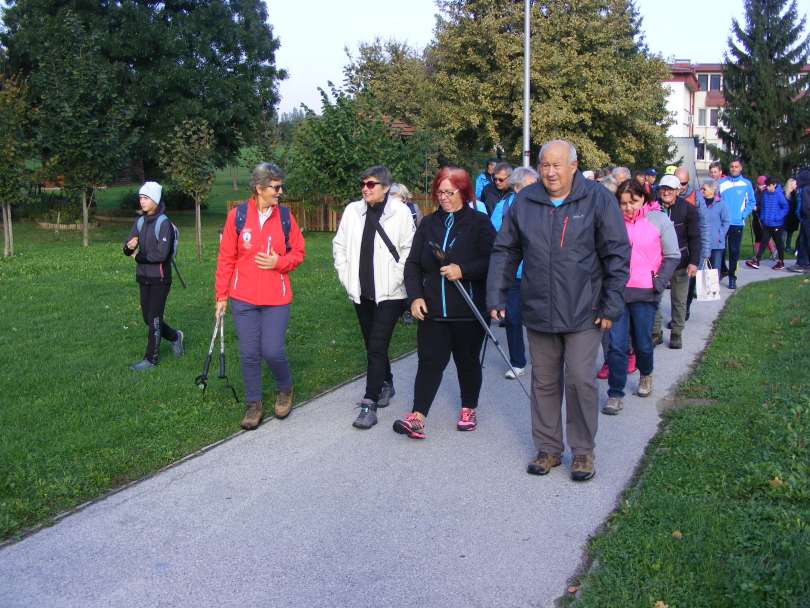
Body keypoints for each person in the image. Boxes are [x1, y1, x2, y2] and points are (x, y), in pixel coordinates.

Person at [487, 140, 630, 482]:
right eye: (544, 165)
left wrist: (611, 304)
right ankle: (549, 448)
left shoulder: (596, 198)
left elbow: (617, 253)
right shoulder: (525, 200)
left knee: (581, 380)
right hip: (539, 308)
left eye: (557, 165)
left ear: (573, 166)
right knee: (545, 382)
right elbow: (505, 250)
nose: (550, 172)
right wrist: (496, 296)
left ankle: (582, 452)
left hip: (585, 310)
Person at [393, 167, 496, 439]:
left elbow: (492, 261)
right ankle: (417, 416)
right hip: (434, 311)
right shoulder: (428, 224)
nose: (444, 197)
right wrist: (415, 297)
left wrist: (463, 270)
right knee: (429, 362)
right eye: (440, 192)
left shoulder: (479, 223)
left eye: (449, 192)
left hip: (468, 312)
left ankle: (468, 407)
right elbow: (413, 264)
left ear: (463, 191)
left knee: (467, 362)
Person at [214, 163, 306, 430]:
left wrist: (279, 262)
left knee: (272, 350)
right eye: (276, 187)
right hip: (243, 298)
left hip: (276, 298)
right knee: (249, 353)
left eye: (280, 187)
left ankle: (285, 387)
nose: (280, 192)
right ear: (259, 188)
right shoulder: (238, 216)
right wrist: (221, 296)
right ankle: (253, 404)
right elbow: (226, 258)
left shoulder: (286, 217)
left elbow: (298, 253)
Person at [333, 165, 416, 430]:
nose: (365, 189)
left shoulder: (400, 212)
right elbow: (339, 246)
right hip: (362, 291)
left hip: (390, 293)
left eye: (371, 184)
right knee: (372, 344)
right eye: (363, 184)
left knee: (378, 344)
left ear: (385, 188)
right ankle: (387, 383)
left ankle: (369, 403)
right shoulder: (352, 212)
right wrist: (347, 278)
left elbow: (408, 250)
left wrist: (394, 280)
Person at [602, 180, 679, 415]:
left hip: (646, 292)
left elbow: (673, 256)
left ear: (643, 198)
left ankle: (646, 374)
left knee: (643, 342)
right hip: (617, 292)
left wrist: (658, 282)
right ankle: (615, 393)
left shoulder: (659, 220)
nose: (628, 208)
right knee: (616, 345)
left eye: (632, 202)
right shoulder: (611, 223)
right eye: (623, 203)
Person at [123, 181, 184, 371]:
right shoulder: (140, 222)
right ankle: (175, 336)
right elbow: (127, 247)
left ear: (155, 200)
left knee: (155, 319)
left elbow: (161, 254)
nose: (141, 201)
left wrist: (138, 256)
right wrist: (128, 248)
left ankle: (151, 359)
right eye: (140, 197)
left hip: (160, 278)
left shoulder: (164, 223)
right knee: (147, 319)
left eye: (145, 198)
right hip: (143, 276)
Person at [490, 166, 539, 379]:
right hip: (514, 274)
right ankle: (517, 361)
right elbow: (494, 237)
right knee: (513, 318)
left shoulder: (543, 206)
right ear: (517, 188)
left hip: (538, 273)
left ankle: (546, 360)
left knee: (540, 318)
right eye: (530, 186)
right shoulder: (504, 205)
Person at [652, 174, 701, 349]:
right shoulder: (652, 208)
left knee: (679, 300)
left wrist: (694, 262)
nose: (665, 192)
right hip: (658, 263)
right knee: (654, 299)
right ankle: (656, 333)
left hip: (681, 262)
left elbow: (695, 237)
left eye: (670, 189)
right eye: (663, 189)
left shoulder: (688, 210)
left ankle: (676, 333)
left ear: (677, 191)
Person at [718, 158, 756, 289]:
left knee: (734, 251)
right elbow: (716, 200)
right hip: (722, 223)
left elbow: (752, 202)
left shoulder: (746, 184)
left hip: (737, 223)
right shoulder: (721, 182)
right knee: (720, 250)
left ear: (741, 168)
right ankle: (721, 271)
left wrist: (742, 215)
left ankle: (732, 278)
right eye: (732, 166)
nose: (734, 168)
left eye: (736, 166)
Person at [745, 177, 788, 270]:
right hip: (767, 223)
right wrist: (763, 217)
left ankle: (781, 262)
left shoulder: (779, 194)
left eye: (769, 186)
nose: (767, 188)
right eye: (767, 186)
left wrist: (778, 217)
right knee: (763, 241)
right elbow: (763, 207)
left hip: (777, 224)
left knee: (779, 243)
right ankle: (757, 261)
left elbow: (785, 207)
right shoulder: (765, 194)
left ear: (774, 185)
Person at [699, 178, 730, 271]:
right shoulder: (699, 203)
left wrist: (720, 235)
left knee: (715, 270)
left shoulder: (721, 204)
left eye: (704, 189)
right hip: (702, 242)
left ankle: (714, 285)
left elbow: (726, 221)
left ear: (713, 189)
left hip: (716, 244)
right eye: (701, 189)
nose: (702, 191)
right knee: (699, 270)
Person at [788, 169, 810, 273]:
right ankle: (802, 263)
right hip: (805, 219)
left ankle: (804, 264)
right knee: (802, 241)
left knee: (805, 241)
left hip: (807, 219)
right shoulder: (804, 189)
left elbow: (805, 206)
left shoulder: (805, 189)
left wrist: (804, 215)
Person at [784, 178, 799, 251]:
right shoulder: (785, 194)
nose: (796, 185)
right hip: (786, 216)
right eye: (795, 184)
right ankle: (782, 246)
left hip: (793, 216)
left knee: (790, 232)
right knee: (784, 232)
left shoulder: (795, 194)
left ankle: (788, 246)